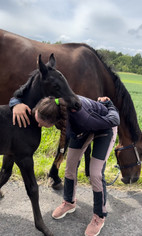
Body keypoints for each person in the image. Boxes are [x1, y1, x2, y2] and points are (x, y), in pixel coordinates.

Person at [12, 94, 119, 236]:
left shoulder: (82, 119)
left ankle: (99, 216)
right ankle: (69, 202)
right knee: (69, 168)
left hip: (104, 125)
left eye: (41, 123)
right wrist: (15, 104)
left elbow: (114, 119)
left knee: (95, 174)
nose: (38, 125)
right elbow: (24, 91)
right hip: (81, 130)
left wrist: (110, 105)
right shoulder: (50, 105)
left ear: (54, 121)